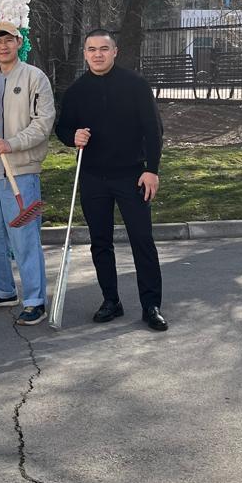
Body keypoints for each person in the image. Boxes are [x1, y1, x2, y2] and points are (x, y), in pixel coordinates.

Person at [56, 28, 167, 331]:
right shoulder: (76, 91)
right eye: (92, 49)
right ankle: (111, 300)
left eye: (104, 49)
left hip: (132, 175)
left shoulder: (135, 85)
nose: (98, 54)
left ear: (114, 51)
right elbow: (62, 129)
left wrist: (152, 169)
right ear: (85, 54)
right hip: (92, 177)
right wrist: (72, 136)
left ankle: (151, 305)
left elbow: (153, 130)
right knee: (100, 242)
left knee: (142, 240)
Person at [0, 23, 55, 325]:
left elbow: (44, 123)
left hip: (20, 172)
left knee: (24, 238)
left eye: (8, 40)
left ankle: (35, 300)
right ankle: (4, 290)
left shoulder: (34, 77)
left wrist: (13, 143)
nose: (3, 46)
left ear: (18, 42)